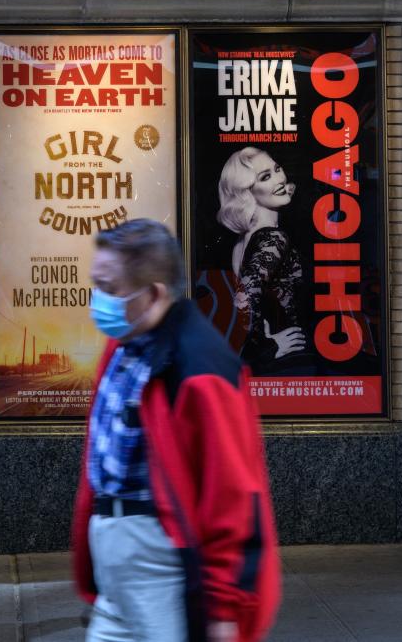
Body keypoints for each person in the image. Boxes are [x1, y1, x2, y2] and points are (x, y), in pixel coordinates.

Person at [72, 219, 280, 642]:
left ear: (152, 295)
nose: (98, 300)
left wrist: (224, 607)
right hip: (116, 561)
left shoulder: (201, 368)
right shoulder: (124, 345)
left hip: (160, 561)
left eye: (109, 289)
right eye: (96, 284)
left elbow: (233, 494)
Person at [216, 147, 306, 375]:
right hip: (291, 362)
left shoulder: (245, 240)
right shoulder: (273, 238)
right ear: (247, 193)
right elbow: (244, 299)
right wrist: (268, 347)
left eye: (277, 169)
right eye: (265, 177)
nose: (279, 179)